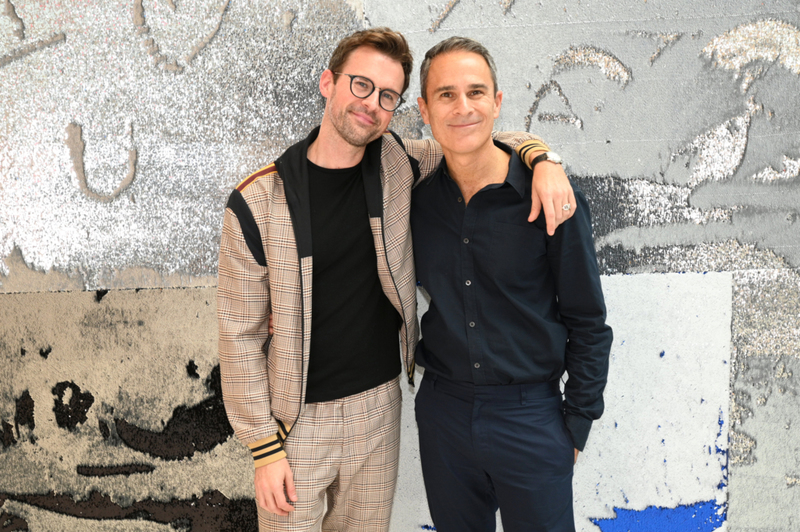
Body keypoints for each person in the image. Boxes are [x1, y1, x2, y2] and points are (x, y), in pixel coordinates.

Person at [217, 27, 574, 532]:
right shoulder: (257, 200)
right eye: (360, 85)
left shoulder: (399, 163)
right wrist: (262, 447)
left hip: (379, 408)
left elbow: (474, 138)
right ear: (328, 83)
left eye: (388, 96)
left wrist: (543, 158)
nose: (371, 105)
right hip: (294, 423)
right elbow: (238, 335)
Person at [411, 36, 613, 532]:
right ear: (424, 109)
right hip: (443, 414)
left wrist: (576, 424)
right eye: (446, 95)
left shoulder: (551, 199)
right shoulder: (414, 201)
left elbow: (588, 320)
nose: (463, 108)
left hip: (531, 418)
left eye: (477, 93)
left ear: (498, 103)